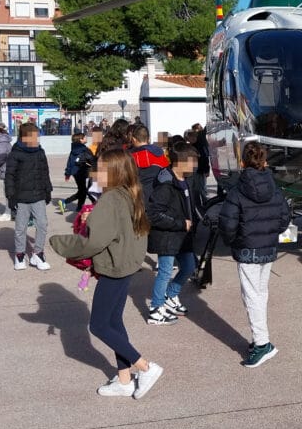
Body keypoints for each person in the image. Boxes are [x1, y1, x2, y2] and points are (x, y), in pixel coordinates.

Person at [50, 149, 163, 398]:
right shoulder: (128, 194)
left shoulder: (111, 199)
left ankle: (145, 367)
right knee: (113, 322)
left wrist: (59, 242)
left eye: (100, 169)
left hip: (114, 268)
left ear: (113, 172)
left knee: (99, 325)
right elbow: (118, 229)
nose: (94, 173)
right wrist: (94, 218)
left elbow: (93, 243)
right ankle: (124, 379)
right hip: (125, 265)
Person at [218, 141, 291, 367]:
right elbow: (284, 218)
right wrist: (269, 233)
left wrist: (234, 241)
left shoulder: (237, 190)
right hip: (267, 249)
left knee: (252, 297)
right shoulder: (274, 187)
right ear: (265, 161)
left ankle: (262, 343)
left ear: (242, 162)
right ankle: (261, 338)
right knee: (260, 293)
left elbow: (227, 224)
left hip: (247, 249)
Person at [146, 144, 199, 324]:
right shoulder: (165, 183)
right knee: (165, 271)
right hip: (167, 235)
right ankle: (155, 308)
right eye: (192, 162)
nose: (194, 166)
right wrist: (179, 223)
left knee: (189, 266)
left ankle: (171, 295)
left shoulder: (185, 179)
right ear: (181, 162)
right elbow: (153, 214)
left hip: (183, 235)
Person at [4, 122, 52, 270]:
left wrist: (48, 190)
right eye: (34, 136)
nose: (36, 139)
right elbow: (9, 176)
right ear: (25, 137)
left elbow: (45, 172)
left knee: (42, 224)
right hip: (21, 197)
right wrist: (11, 196)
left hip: (38, 195)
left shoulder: (40, 152)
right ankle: (19, 255)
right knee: (20, 227)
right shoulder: (15, 153)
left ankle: (38, 254)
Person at [128, 123, 170, 203]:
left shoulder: (132, 156)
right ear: (148, 138)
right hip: (158, 195)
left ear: (133, 139)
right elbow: (167, 173)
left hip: (138, 196)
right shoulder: (160, 153)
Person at [59, 131, 93, 213]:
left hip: (76, 173)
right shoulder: (84, 149)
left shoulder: (74, 149)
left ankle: (79, 208)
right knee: (83, 191)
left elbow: (69, 161)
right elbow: (91, 159)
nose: (86, 138)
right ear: (81, 140)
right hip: (81, 172)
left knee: (82, 191)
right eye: (85, 137)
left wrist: (68, 173)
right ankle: (65, 202)